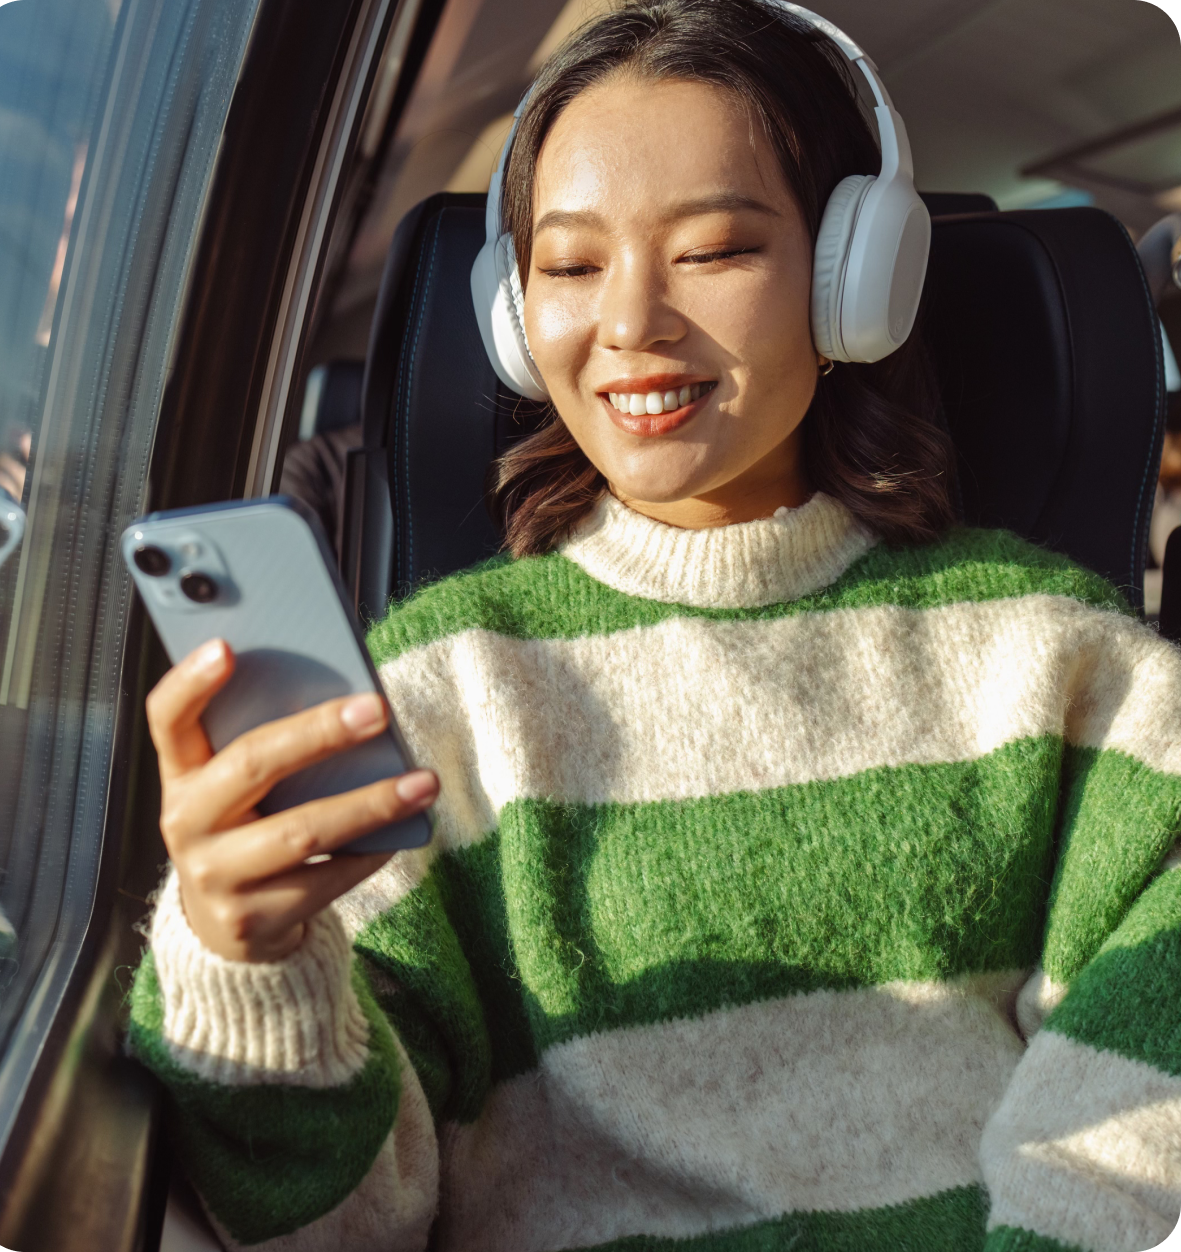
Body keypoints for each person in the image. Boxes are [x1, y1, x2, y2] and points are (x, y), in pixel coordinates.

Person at [129, 3, 1181, 1250]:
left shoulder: (1065, 665)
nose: (630, 322)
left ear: (855, 279)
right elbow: (340, 1226)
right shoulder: (436, 701)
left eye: (715, 250)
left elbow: (1136, 1124)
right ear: (514, 321)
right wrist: (249, 965)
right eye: (571, 266)